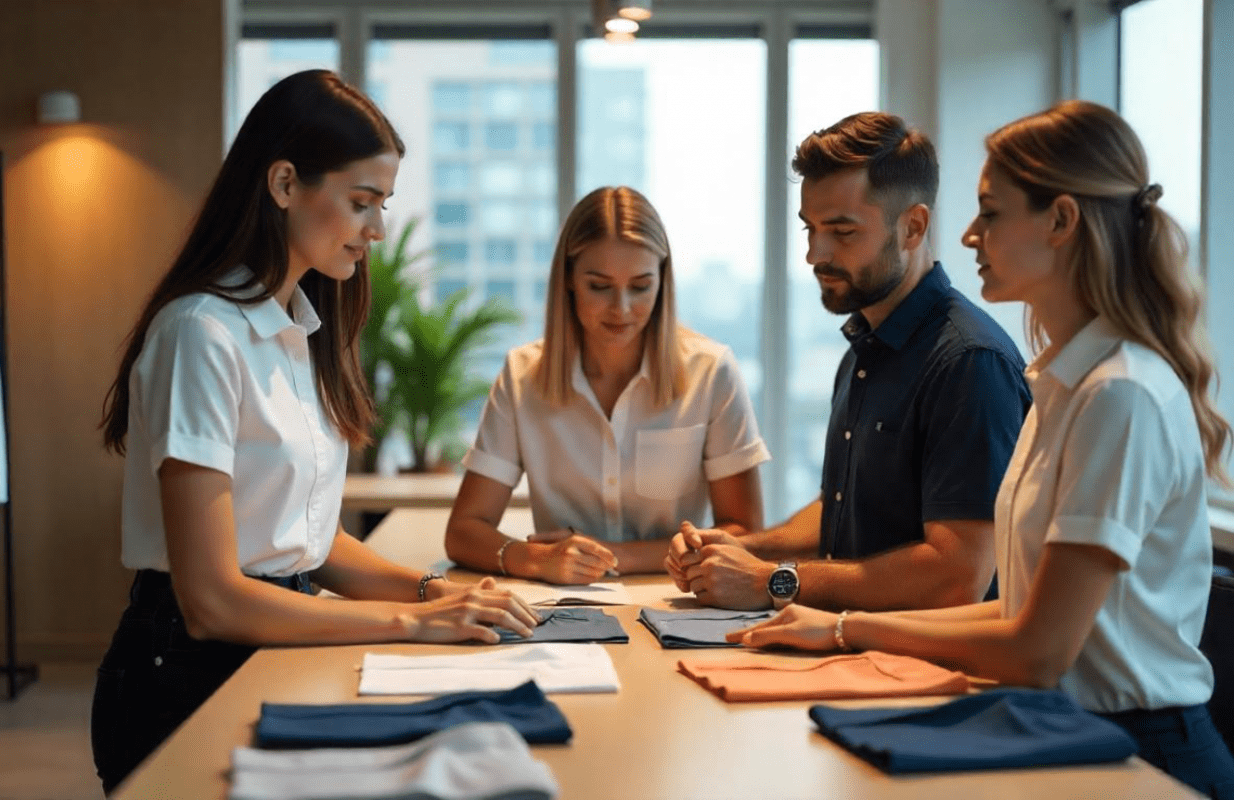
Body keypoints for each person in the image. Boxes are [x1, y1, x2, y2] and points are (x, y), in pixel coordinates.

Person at [729, 100, 1234, 798]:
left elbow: (1035, 648)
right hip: (1058, 728)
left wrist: (845, 627)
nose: (968, 235)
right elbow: (1017, 610)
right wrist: (839, 625)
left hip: (1138, 755)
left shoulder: (1119, 394)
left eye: (991, 213)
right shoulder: (1061, 381)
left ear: (1061, 221)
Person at [91, 70, 538, 794]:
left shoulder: (300, 327)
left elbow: (308, 540)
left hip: (276, 642)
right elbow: (211, 600)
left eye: (384, 205)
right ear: (284, 183)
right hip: (185, 674)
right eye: (363, 202)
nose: (379, 230)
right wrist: (413, 623)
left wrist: (434, 592)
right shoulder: (201, 333)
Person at [665, 112, 1030, 612]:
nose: (816, 253)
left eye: (841, 231)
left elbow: (957, 576)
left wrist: (772, 582)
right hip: (853, 652)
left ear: (913, 227)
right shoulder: (865, 347)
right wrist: (741, 551)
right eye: (810, 229)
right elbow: (843, 514)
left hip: (930, 681)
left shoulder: (969, 362)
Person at [444, 186, 769, 585]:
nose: (622, 308)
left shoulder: (711, 371)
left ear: (662, 282)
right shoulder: (521, 376)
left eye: (640, 286)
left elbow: (746, 534)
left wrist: (615, 557)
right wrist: (534, 560)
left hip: (677, 604)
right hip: (561, 608)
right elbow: (464, 532)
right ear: (569, 280)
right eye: (599, 286)